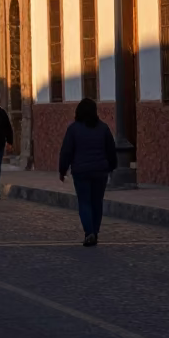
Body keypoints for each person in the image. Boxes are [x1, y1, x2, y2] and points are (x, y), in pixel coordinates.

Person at [59, 97, 118, 246]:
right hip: (100, 171)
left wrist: (62, 169)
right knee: (97, 202)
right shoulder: (103, 128)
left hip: (81, 171)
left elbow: (66, 151)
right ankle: (95, 232)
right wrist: (111, 166)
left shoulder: (73, 129)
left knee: (84, 202)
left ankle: (89, 232)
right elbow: (111, 150)